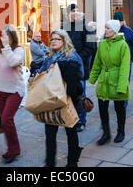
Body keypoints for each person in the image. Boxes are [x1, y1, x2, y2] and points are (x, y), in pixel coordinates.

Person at [37, 29, 84, 167]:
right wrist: (47, 71)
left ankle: (72, 162)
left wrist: (59, 68)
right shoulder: (49, 57)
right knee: (50, 134)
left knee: (71, 132)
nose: (53, 42)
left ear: (64, 41)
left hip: (68, 100)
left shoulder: (72, 57)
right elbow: (41, 74)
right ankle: (50, 162)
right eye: (51, 39)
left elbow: (78, 75)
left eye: (57, 39)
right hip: (51, 100)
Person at [89, 20, 130, 145]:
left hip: (117, 81)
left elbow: (125, 68)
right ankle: (106, 133)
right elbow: (97, 63)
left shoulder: (123, 45)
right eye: (105, 28)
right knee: (102, 108)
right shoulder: (102, 44)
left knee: (119, 108)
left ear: (115, 30)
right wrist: (93, 78)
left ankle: (121, 131)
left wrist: (122, 86)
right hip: (104, 81)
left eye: (108, 28)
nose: (105, 30)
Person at [62, 4, 96, 133]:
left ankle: (81, 120)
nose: (75, 13)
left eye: (77, 10)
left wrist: (77, 59)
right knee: (67, 94)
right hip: (65, 67)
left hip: (79, 67)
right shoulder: (64, 26)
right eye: (72, 11)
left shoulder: (86, 26)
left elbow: (91, 47)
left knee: (80, 94)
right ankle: (71, 117)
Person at [0, 25, 25, 164]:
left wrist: (6, 47)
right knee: (5, 122)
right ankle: (12, 148)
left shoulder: (19, 50)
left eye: (5, 35)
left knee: (6, 119)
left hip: (15, 90)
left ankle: (14, 150)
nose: (2, 38)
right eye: (1, 36)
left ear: (12, 37)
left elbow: (13, 62)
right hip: (1, 90)